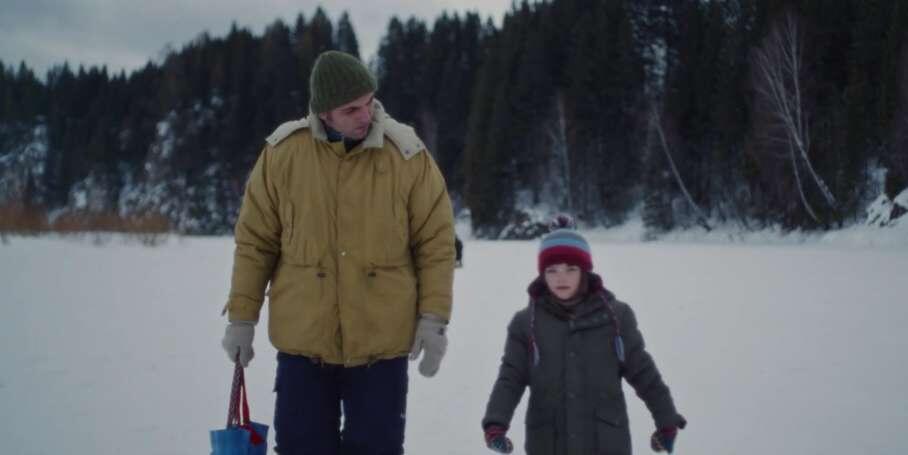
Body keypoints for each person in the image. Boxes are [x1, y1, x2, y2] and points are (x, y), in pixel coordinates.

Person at [220, 50, 456, 455]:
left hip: (381, 346)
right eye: (351, 109)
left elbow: (436, 243)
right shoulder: (282, 155)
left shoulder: (407, 155)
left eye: (369, 102)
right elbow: (256, 243)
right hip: (304, 345)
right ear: (324, 112)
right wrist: (242, 318)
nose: (366, 115)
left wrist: (433, 320)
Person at [481, 215, 686, 454]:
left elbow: (644, 373)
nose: (561, 278)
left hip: (606, 443)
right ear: (542, 274)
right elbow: (510, 378)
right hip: (548, 444)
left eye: (571, 269)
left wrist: (666, 420)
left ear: (584, 271)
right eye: (552, 270)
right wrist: (496, 424)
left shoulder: (616, 317)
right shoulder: (525, 323)